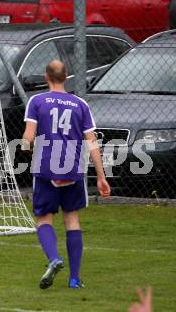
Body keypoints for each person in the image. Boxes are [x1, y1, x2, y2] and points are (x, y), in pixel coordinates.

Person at [22, 60, 111, 289]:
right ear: (66, 77)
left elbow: (28, 138)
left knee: (44, 218)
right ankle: (74, 279)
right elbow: (91, 142)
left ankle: (54, 259)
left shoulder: (37, 101)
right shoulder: (80, 104)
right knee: (71, 218)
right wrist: (101, 177)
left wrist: (29, 150)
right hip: (73, 167)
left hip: (46, 165)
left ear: (46, 77)